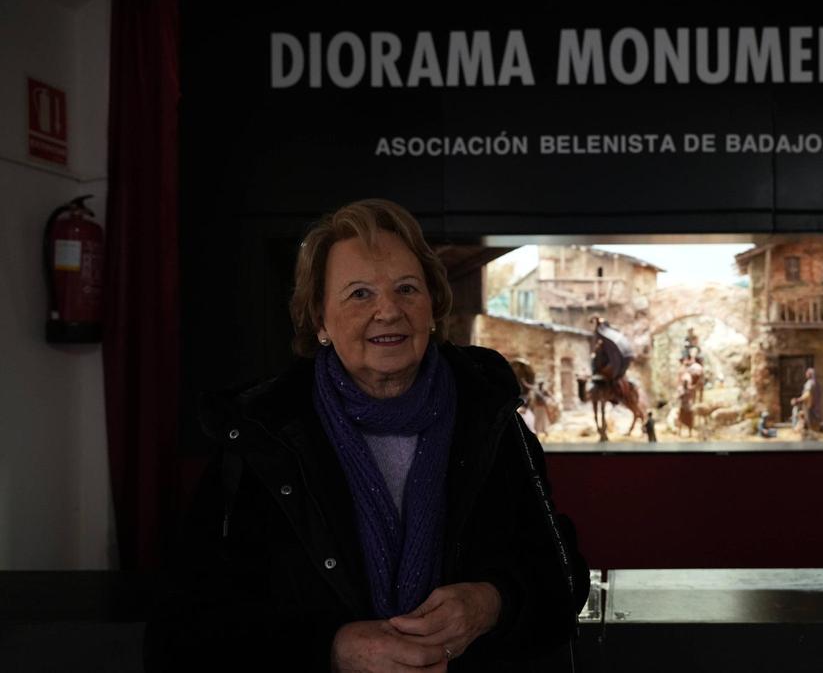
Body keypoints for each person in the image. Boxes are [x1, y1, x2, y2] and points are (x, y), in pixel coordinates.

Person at [146, 199, 589, 673]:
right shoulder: (261, 438)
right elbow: (186, 626)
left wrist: (491, 603)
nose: (388, 311)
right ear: (319, 320)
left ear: (432, 307)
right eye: (359, 294)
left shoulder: (490, 418)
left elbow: (562, 576)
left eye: (406, 289)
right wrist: (331, 650)